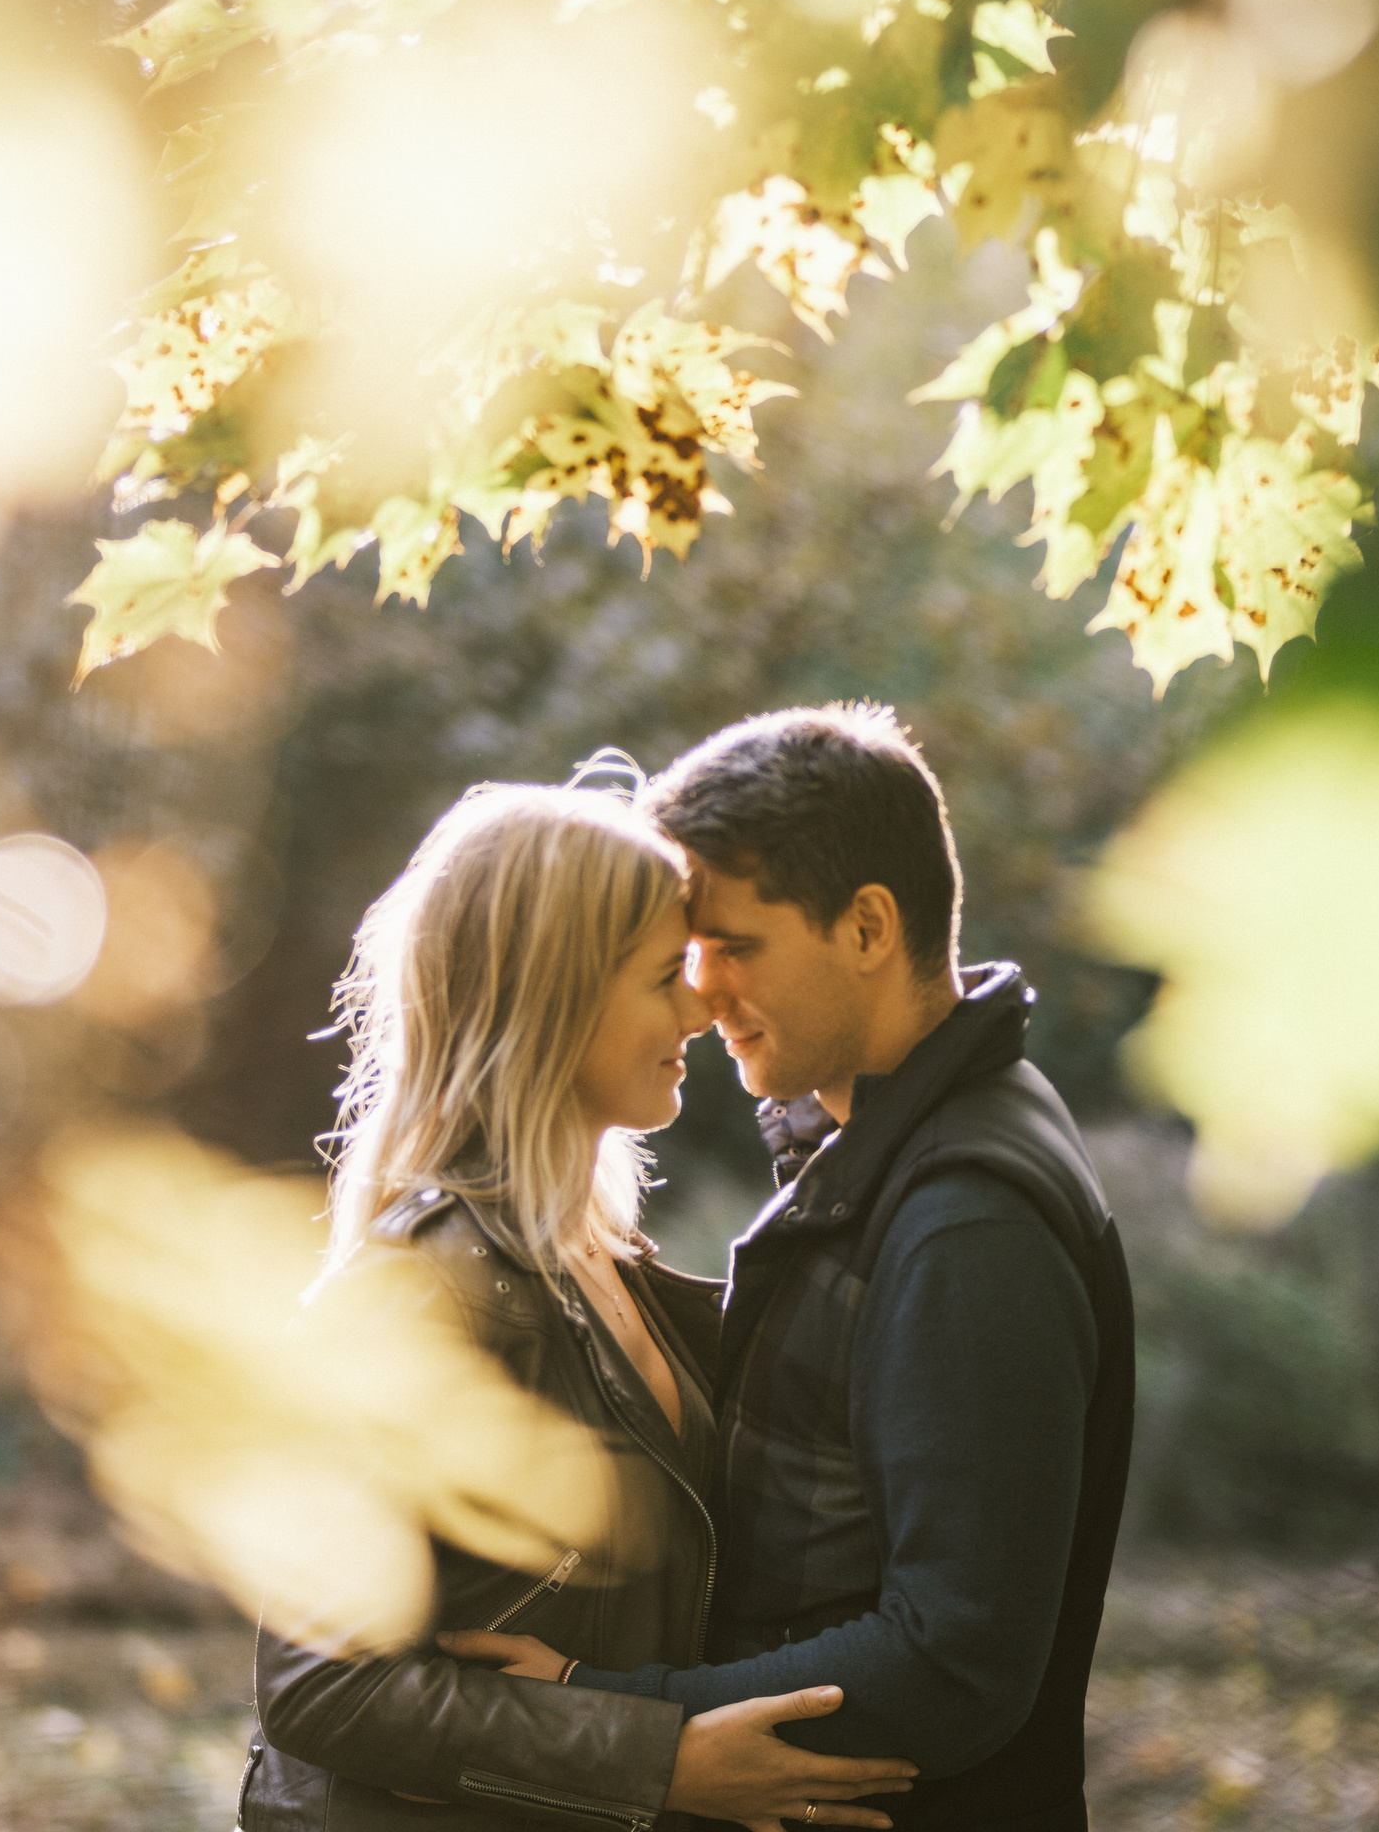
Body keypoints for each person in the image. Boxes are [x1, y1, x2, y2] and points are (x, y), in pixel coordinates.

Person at [449, 706, 1137, 1832]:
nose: (701, 991)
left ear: (867, 926)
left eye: (735, 946)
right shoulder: (881, 1146)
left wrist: (616, 1714)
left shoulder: (964, 1218)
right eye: (688, 952)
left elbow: (956, 1660)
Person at [238, 779, 919, 1832]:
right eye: (663, 976)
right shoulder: (417, 1290)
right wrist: (659, 1763)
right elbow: (323, 1685)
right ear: (549, 1001)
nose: (700, 1007)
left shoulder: (603, 1263)